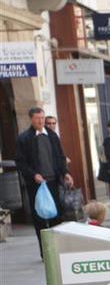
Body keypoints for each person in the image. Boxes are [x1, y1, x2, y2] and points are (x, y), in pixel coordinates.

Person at [15, 107, 74, 258]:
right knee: (39, 218)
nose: (40, 121)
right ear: (31, 119)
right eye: (37, 118)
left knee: (56, 217)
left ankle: (57, 251)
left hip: (53, 182)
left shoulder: (52, 135)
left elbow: (60, 157)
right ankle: (45, 253)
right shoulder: (25, 138)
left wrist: (65, 173)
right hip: (36, 185)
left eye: (42, 118)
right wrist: (33, 175)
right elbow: (20, 162)